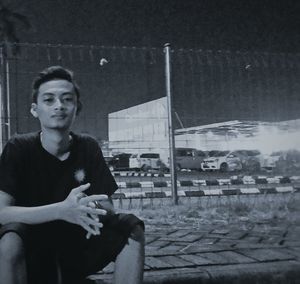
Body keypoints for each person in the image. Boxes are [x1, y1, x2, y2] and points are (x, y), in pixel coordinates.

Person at [0, 66, 145, 284]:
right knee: (10, 238)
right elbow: (2, 213)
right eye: (49, 100)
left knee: (132, 227)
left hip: (75, 242)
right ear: (34, 109)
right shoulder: (19, 147)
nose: (59, 106)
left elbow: (107, 208)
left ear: (76, 108)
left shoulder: (88, 146)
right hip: (31, 245)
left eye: (67, 99)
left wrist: (88, 209)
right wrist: (60, 210)